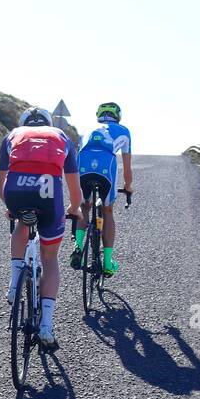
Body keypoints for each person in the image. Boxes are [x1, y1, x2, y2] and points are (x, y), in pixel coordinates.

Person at [0, 106, 83, 349]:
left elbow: (2, 183)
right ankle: (46, 325)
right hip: (49, 195)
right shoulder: (62, 136)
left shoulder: (13, 135)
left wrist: (11, 208)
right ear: (48, 122)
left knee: (21, 225)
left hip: (16, 192)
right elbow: (75, 190)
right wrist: (74, 208)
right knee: (50, 259)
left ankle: (14, 283)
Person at [73, 101, 133, 275]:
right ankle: (107, 262)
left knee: (84, 207)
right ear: (118, 116)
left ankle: (78, 249)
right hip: (106, 168)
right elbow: (127, 168)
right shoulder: (123, 131)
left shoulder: (85, 128)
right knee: (107, 211)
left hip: (82, 165)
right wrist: (128, 186)